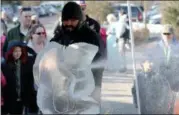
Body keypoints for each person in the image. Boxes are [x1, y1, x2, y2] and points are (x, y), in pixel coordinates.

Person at [34, 2, 105, 114]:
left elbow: (98, 63)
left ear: (80, 20)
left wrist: (95, 89)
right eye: (66, 20)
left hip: (86, 87)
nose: (69, 23)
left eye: (73, 20)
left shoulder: (91, 37)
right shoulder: (59, 37)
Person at [132, 24, 179, 114]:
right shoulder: (155, 47)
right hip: (159, 81)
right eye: (164, 34)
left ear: (172, 35)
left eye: (169, 34)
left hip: (174, 80)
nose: (167, 36)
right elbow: (145, 60)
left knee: (173, 107)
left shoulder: (177, 47)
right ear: (161, 35)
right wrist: (146, 64)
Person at [1, 40, 38, 114]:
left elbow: (37, 58)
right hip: (11, 98)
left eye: (20, 51)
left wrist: (31, 51)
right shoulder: (4, 65)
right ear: (10, 52)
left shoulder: (28, 62)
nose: (18, 53)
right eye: (15, 51)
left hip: (27, 96)